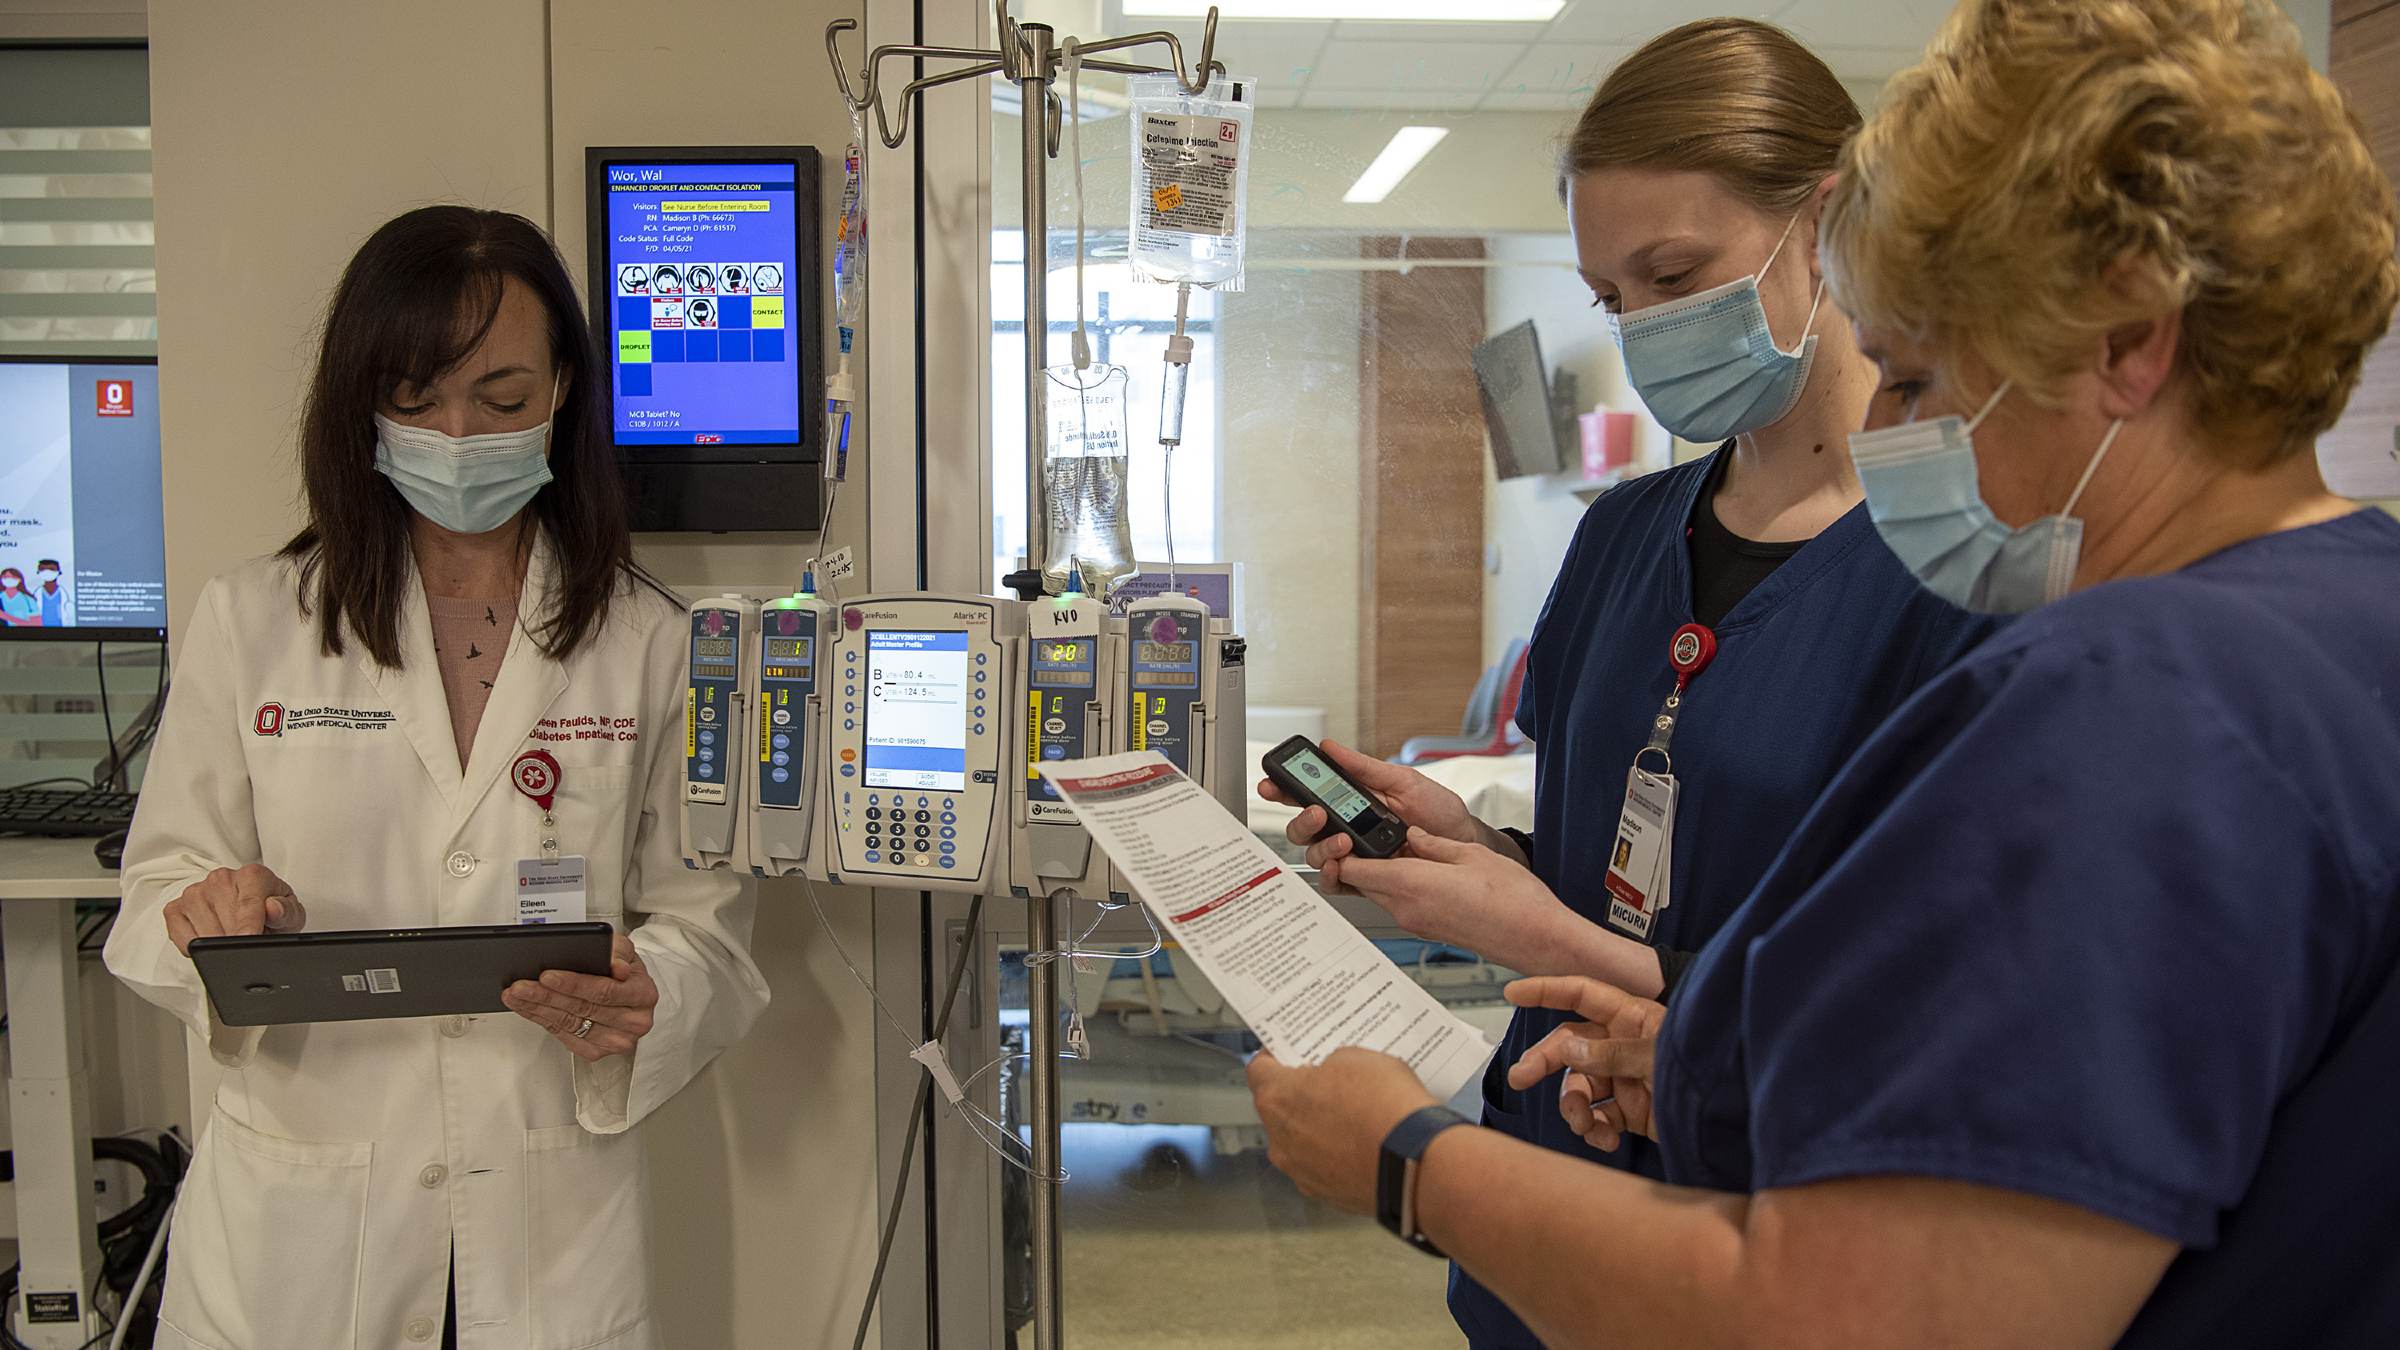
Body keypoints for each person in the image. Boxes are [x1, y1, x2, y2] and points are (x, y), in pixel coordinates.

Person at [1248, 1, 2400, 1344]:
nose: (1906, 436)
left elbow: (1863, 1313)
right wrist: (1705, 1064)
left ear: (2130, 341)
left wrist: (1405, 1158)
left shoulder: (2141, 701)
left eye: (1913, 377)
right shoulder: (2349, 612)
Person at [1254, 21, 1991, 1346]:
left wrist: (1545, 940)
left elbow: (1931, 1004)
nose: (1648, 329)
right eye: (1612, 300)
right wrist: (1474, 844)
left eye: (1674, 273)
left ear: (1823, 223)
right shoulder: (1623, 534)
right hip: (1543, 1180)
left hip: (1756, 1222)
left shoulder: (1957, 558)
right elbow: (1615, 857)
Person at [107, 205, 770, 1350]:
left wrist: (649, 994)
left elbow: (709, 927)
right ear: (361, 401)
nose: (458, 433)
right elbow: (155, 887)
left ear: (564, 389)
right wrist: (202, 917)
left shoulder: (654, 641)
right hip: (303, 1219)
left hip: (544, 1210)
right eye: (415, 400)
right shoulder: (256, 621)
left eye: (502, 400)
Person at [35, 558, 64, 626]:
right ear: (38, 572)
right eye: (43, 570)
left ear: (59, 572)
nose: (47, 572)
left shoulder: (64, 594)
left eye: (51, 569)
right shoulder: (36, 594)